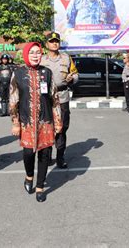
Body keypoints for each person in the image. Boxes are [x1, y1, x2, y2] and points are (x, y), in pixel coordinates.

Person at [9, 42, 62, 202]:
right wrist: (15, 122)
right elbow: (13, 100)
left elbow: (55, 99)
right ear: (26, 54)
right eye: (31, 52)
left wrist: (58, 120)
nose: (35, 55)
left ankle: (40, 187)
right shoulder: (17, 73)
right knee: (27, 153)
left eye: (38, 52)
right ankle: (29, 176)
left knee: (45, 154)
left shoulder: (47, 73)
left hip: (45, 121)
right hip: (26, 121)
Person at [41, 31, 79, 168]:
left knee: (62, 127)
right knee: (47, 127)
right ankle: (47, 156)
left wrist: (72, 78)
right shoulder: (41, 60)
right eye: (51, 41)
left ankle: (60, 157)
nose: (55, 43)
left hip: (62, 97)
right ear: (47, 44)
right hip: (45, 98)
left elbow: (75, 74)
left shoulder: (66, 58)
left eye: (56, 41)